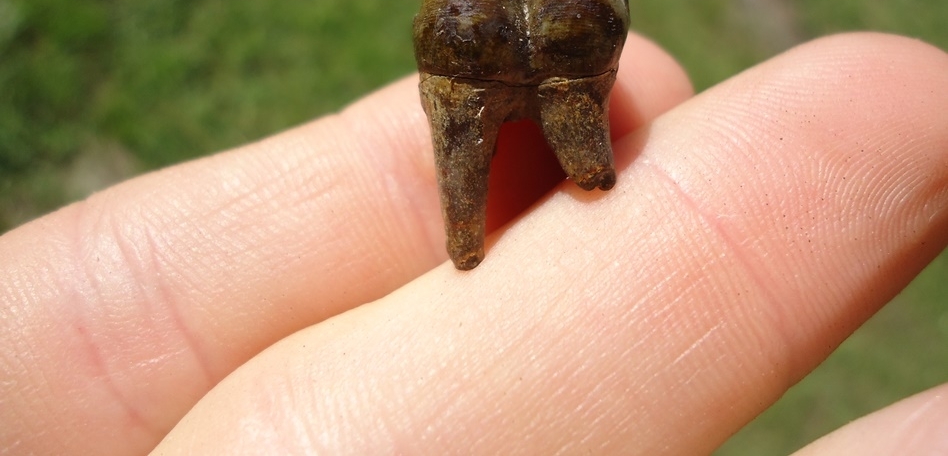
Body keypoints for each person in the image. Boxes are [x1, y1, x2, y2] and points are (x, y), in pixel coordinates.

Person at [1, 32, 946, 455]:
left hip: (493, 60)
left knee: (507, 160)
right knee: (527, 157)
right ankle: (526, 186)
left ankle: (512, 196)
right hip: (506, 57)